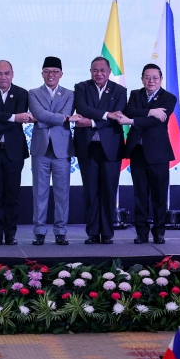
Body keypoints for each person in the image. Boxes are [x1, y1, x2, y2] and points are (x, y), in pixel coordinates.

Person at [112, 63, 177, 245]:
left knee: (159, 196)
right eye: (147, 77)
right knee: (140, 196)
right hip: (137, 152)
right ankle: (141, 233)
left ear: (161, 79)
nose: (151, 81)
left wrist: (131, 121)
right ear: (142, 79)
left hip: (158, 154)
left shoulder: (169, 98)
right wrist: (150, 111)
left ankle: (159, 233)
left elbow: (156, 122)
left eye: (155, 77)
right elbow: (129, 110)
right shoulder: (135, 94)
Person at [73, 56, 127, 244]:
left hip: (111, 148)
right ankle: (93, 232)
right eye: (95, 70)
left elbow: (117, 115)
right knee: (90, 191)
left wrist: (92, 121)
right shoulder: (81, 87)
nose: (99, 74)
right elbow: (81, 108)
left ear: (109, 71)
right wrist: (105, 115)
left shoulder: (120, 90)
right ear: (90, 71)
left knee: (108, 191)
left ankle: (107, 233)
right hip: (87, 147)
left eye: (102, 70)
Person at [0, 60, 32, 246]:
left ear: (12, 74)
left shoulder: (21, 93)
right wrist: (13, 117)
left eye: (6, 73)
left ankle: (10, 234)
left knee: (12, 194)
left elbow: (18, 119)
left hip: (14, 151)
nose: (3, 77)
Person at [27, 56, 76, 245]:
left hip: (61, 149)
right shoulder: (32, 93)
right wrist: (62, 118)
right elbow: (39, 113)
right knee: (39, 192)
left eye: (55, 72)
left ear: (61, 74)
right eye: (47, 71)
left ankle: (60, 231)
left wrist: (52, 117)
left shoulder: (70, 94)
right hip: (41, 148)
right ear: (42, 73)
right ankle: (39, 231)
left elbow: (65, 113)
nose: (51, 75)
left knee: (62, 193)